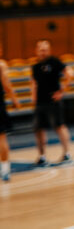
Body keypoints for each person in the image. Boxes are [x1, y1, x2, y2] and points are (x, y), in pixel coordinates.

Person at [30, 40, 74, 166]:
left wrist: (62, 91)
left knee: (59, 126)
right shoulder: (35, 66)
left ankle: (67, 154)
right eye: (41, 50)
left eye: (45, 50)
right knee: (38, 129)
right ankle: (42, 156)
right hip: (40, 102)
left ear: (49, 51)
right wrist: (33, 96)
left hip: (53, 100)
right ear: (37, 51)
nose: (43, 52)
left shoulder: (54, 62)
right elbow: (33, 82)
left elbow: (70, 73)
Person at [1, 41, 24, 182]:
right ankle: (5, 170)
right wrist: (15, 99)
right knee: (1, 138)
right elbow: (6, 84)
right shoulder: (1, 65)